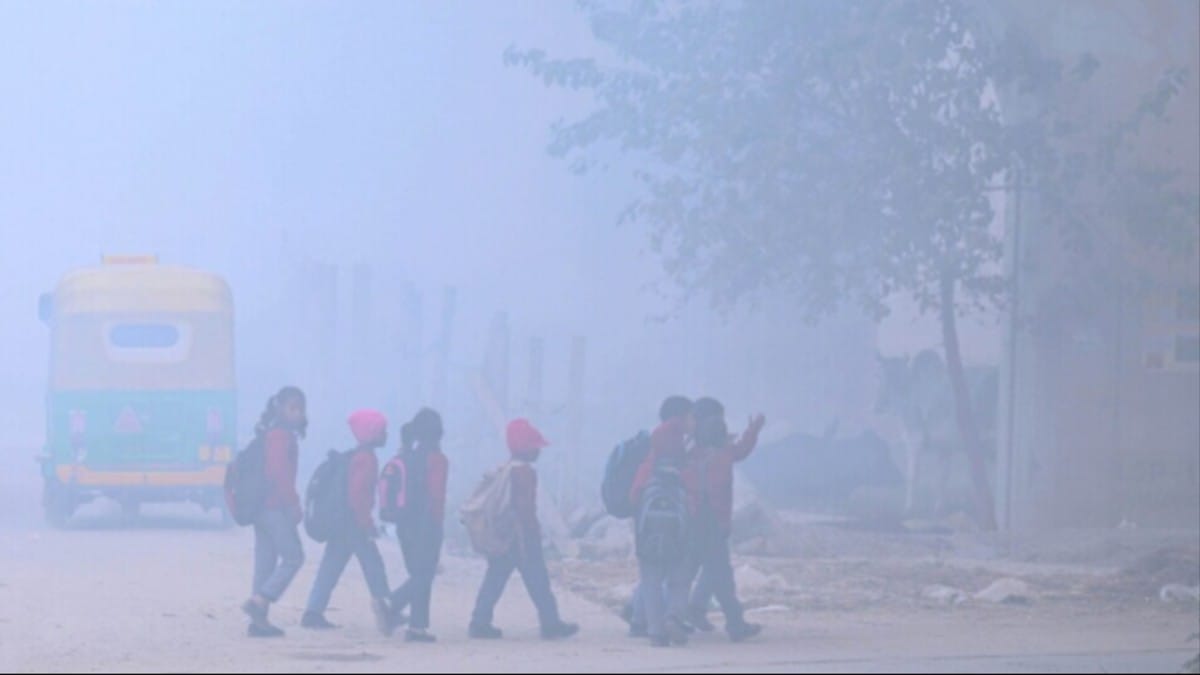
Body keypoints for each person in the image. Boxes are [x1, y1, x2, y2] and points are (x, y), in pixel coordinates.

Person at [468, 418, 580, 641]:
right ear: (527, 449)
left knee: (495, 578)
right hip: (521, 537)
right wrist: (533, 535)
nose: (539, 452)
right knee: (538, 580)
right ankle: (550, 623)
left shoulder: (505, 469)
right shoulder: (525, 473)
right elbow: (525, 509)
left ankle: (479, 622)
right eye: (536, 447)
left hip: (505, 535)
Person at [301, 409, 392, 635]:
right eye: (382, 431)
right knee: (373, 566)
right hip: (354, 524)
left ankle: (313, 611)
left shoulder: (354, 456)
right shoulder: (366, 459)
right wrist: (366, 523)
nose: (386, 435)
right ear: (372, 433)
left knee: (331, 566)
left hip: (342, 523)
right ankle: (387, 609)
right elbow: (358, 495)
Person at [685, 406, 766, 642]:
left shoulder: (691, 456)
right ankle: (735, 624)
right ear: (722, 436)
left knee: (685, 574)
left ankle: (671, 616)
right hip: (714, 526)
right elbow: (743, 449)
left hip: (692, 524)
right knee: (722, 577)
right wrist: (754, 429)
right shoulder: (724, 455)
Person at [630, 396, 698, 647]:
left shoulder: (648, 466)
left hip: (648, 538)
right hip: (678, 539)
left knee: (651, 583)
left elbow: (634, 497)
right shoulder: (685, 469)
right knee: (679, 581)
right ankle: (674, 617)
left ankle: (656, 631)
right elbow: (694, 504)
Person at [242, 386, 308, 638]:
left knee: (265, 563)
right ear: (279, 408)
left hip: (261, 507)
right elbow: (279, 474)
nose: (298, 413)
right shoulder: (281, 436)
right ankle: (260, 601)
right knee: (294, 557)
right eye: (293, 408)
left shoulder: (270, 433)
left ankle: (258, 623)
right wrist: (292, 504)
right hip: (274, 506)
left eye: (301, 408)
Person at [386, 408, 449, 643]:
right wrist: (437, 526)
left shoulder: (406, 456)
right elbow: (436, 497)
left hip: (404, 525)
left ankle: (417, 626)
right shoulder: (437, 460)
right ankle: (393, 603)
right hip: (427, 524)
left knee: (418, 573)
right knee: (425, 574)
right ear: (439, 433)